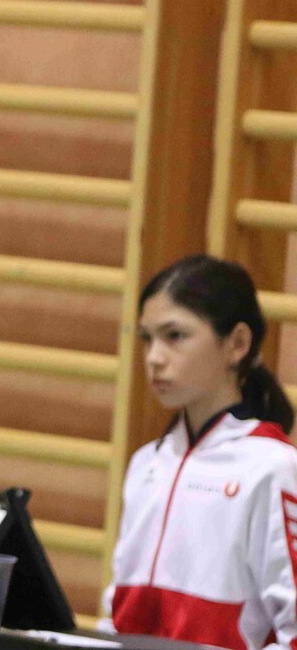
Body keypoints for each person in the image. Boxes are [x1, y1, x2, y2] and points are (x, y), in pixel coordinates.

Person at [102, 254, 297, 649]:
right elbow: (117, 616)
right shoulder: (146, 464)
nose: (154, 357)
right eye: (147, 338)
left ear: (237, 343)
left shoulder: (272, 468)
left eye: (175, 335)